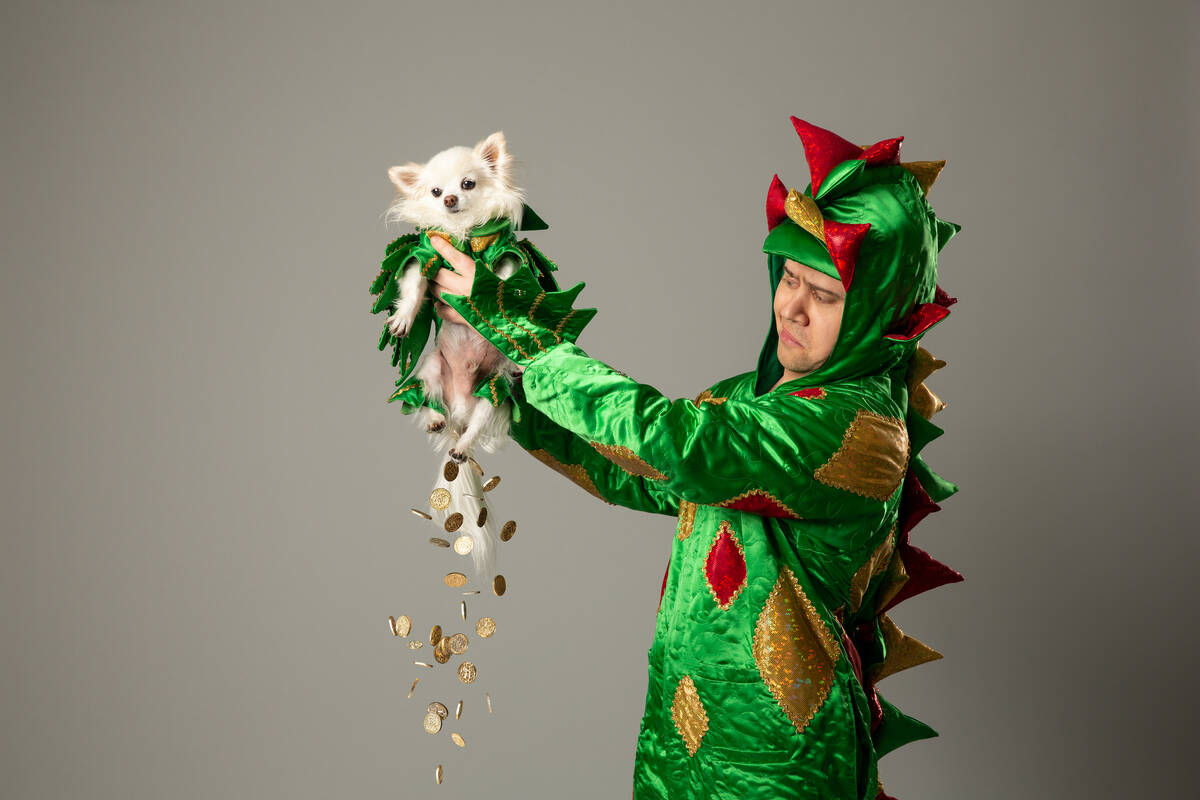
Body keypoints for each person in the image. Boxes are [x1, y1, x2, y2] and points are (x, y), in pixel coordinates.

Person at [423, 117, 963, 800]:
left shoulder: (857, 430)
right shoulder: (752, 400)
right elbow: (637, 468)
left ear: (875, 312)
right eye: (789, 278)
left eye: (824, 295)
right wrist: (498, 389)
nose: (792, 308)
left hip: (783, 766)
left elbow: (678, 445)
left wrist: (517, 327)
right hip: (680, 745)